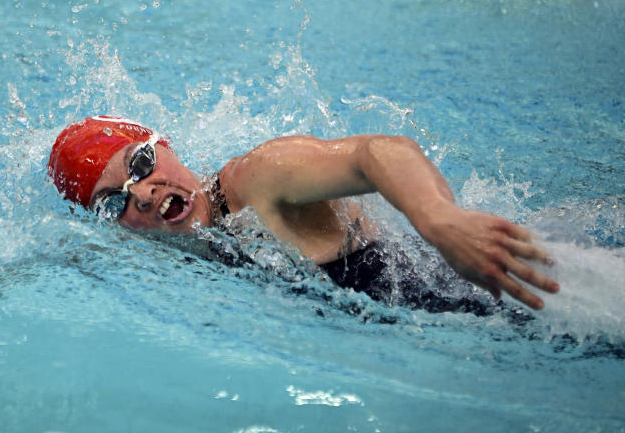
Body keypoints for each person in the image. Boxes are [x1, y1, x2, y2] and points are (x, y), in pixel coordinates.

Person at [47, 115, 560, 311]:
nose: (141, 193)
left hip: (505, 289)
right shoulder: (194, 250)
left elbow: (378, 152)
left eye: (140, 163)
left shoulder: (255, 180)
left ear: (168, 147)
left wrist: (437, 218)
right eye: (113, 202)